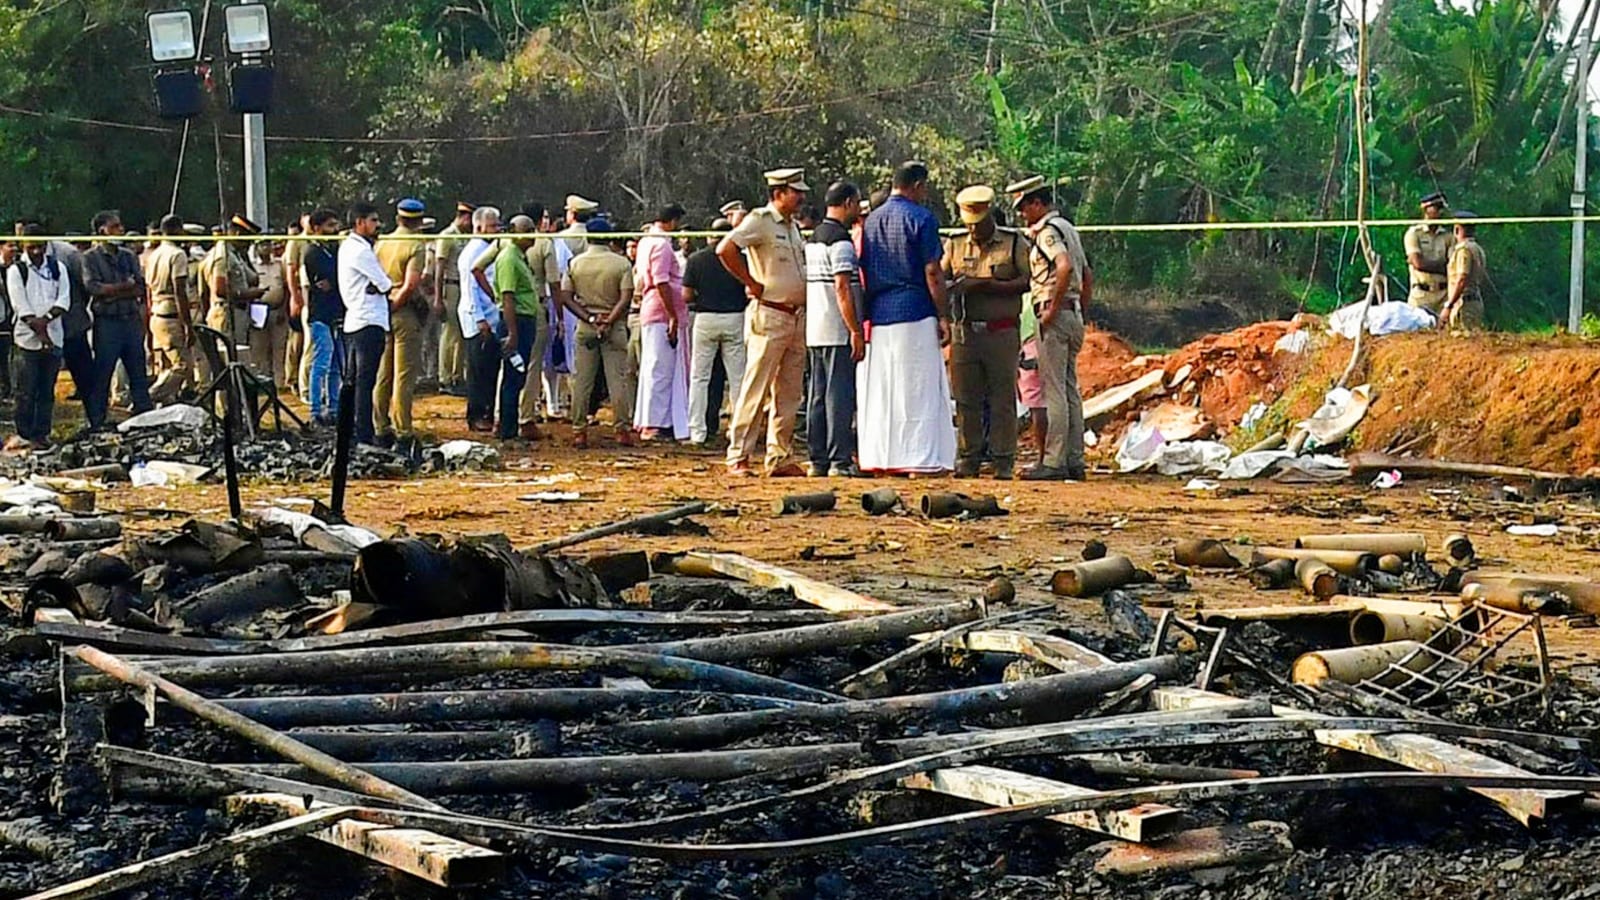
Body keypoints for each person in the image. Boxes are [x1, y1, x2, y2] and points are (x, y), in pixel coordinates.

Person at [856, 161, 956, 476]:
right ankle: (919, 457)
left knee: (886, 390)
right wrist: (943, 314)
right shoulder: (922, 219)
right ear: (916, 185)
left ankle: (883, 457)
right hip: (915, 309)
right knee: (918, 387)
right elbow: (932, 271)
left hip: (881, 313)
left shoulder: (871, 221)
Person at [717, 167, 811, 477]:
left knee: (789, 392)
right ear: (779, 193)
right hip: (769, 313)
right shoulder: (760, 221)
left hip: (795, 316)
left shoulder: (792, 227)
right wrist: (751, 282)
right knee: (756, 386)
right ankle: (739, 454)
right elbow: (726, 248)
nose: (800, 196)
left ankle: (779, 456)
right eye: (795, 191)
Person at [943, 185, 1030, 480]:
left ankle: (1003, 459)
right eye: (968, 225)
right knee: (966, 399)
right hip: (964, 333)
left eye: (978, 224)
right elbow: (941, 280)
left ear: (990, 216)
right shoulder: (954, 245)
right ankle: (969, 458)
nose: (974, 231)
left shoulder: (1013, 243)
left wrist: (986, 285)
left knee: (1002, 398)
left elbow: (1026, 282)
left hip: (1001, 332)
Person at [1008, 174, 1089, 481]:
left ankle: (1054, 461)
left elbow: (1064, 266)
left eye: (1025, 208)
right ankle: (1074, 458)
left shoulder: (1048, 233)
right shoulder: (1069, 228)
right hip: (1073, 312)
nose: (1023, 215)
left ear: (1038, 203)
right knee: (1070, 390)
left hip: (1054, 314)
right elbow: (1087, 274)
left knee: (1053, 390)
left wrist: (1052, 310)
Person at [803, 181, 865, 477]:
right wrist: (854, 329)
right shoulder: (840, 241)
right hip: (836, 328)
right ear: (849, 202)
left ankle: (818, 459)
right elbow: (842, 287)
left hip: (816, 328)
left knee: (818, 394)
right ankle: (839, 458)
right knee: (838, 395)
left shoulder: (814, 237)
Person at [557, 220, 636, 448]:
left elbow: (566, 296)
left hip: (586, 324)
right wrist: (609, 320)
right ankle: (621, 428)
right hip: (614, 326)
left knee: (582, 380)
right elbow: (626, 296)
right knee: (617, 379)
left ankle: (579, 430)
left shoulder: (576, 263)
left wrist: (590, 319)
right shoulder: (621, 264)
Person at [81, 211, 153, 429]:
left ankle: (144, 418)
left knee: (138, 373)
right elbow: (93, 288)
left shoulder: (128, 256)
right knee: (103, 374)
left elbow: (140, 287)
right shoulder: (90, 258)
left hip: (130, 320)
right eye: (116, 226)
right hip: (107, 324)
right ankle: (97, 422)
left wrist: (114, 292)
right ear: (102, 230)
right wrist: (124, 287)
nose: (121, 230)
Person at [683, 218, 747, 448]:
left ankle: (697, 431)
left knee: (699, 377)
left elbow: (686, 295)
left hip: (705, 317)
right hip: (734, 317)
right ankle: (738, 430)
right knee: (738, 378)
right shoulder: (740, 259)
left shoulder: (696, 260)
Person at [373, 198, 431, 453]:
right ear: (419, 221)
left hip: (383, 307)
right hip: (404, 310)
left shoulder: (382, 242)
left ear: (398, 218)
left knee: (383, 373)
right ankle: (403, 430)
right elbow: (411, 284)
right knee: (404, 374)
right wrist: (398, 304)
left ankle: (380, 426)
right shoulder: (416, 245)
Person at [5, 225, 69, 450]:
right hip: (27, 340)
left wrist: (48, 321)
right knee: (25, 391)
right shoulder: (17, 270)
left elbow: (64, 301)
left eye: (40, 246)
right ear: (23, 246)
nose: (37, 251)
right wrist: (42, 335)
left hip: (54, 335)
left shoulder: (57, 267)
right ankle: (24, 433)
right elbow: (21, 307)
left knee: (46, 391)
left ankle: (42, 434)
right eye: (32, 247)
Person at [337, 202, 395, 447]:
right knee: (364, 382)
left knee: (354, 381)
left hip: (357, 320)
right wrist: (381, 286)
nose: (377, 225)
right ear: (359, 222)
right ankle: (362, 434)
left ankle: (350, 431)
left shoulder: (351, 247)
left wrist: (378, 286)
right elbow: (385, 283)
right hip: (367, 321)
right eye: (373, 220)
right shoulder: (360, 251)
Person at [486, 214, 546, 442]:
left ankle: (508, 427)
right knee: (513, 376)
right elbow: (508, 297)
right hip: (516, 321)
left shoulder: (520, 256)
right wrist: (512, 333)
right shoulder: (509, 258)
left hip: (524, 320)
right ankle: (508, 430)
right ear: (515, 232)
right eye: (528, 231)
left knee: (517, 377)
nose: (533, 236)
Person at [633, 203, 690, 442]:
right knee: (661, 369)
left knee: (655, 367)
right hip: (661, 312)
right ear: (673, 221)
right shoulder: (661, 244)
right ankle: (655, 423)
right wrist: (673, 316)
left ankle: (655, 420)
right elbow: (661, 281)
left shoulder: (647, 240)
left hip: (655, 309)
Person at [198, 215, 267, 382]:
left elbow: (252, 278)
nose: (249, 244)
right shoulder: (223, 256)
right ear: (236, 233)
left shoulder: (235, 254)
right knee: (228, 363)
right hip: (227, 314)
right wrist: (248, 294)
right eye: (247, 239)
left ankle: (234, 402)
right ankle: (226, 406)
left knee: (238, 360)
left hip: (237, 313)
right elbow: (219, 289)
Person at [459, 205, 504, 433]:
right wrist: (479, 319)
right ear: (478, 226)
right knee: (478, 370)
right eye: (492, 225)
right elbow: (470, 290)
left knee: (489, 369)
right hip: (479, 319)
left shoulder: (489, 249)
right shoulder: (473, 252)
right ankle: (476, 415)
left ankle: (486, 412)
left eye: (498, 225)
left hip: (492, 317)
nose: (497, 229)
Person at [144, 215, 195, 405]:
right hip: (171, 316)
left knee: (164, 366)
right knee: (183, 366)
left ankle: (164, 406)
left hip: (156, 314)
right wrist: (188, 325)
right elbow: (179, 291)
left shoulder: (154, 254)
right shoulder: (177, 254)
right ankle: (147, 398)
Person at [302, 209, 344, 426]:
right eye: (329, 226)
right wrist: (336, 281)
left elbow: (336, 278)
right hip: (320, 314)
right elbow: (331, 277)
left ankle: (334, 408)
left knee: (337, 364)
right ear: (317, 228)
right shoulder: (313, 253)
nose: (334, 230)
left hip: (336, 312)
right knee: (322, 363)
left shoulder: (333, 250)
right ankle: (315, 410)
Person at [428, 202, 474, 396]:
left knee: (461, 335)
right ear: (463, 216)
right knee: (450, 334)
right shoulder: (447, 236)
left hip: (464, 286)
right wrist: (438, 298)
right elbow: (439, 268)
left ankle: (457, 375)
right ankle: (445, 377)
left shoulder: (466, 237)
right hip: (450, 286)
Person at [247, 239, 290, 392]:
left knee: (279, 347)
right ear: (256, 247)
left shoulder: (279, 264)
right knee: (259, 348)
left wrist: (283, 310)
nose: (266, 248)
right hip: (258, 310)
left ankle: (279, 383)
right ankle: (261, 382)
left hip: (277, 309)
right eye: (262, 245)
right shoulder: (251, 265)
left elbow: (285, 287)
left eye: (268, 244)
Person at [1404, 192, 1455, 316]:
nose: (1440, 212)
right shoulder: (1414, 234)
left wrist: (1427, 264)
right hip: (1421, 295)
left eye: (1441, 208)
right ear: (1426, 209)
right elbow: (1418, 263)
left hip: (1444, 295)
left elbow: (1452, 266)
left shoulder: (1448, 237)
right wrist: (1442, 266)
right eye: (1436, 208)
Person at [1442, 210, 1487, 332]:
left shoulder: (1464, 250)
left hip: (1464, 304)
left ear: (1457, 230)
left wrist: (1449, 305)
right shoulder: (1477, 248)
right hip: (1474, 301)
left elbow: (1462, 278)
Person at [283, 212, 310, 397]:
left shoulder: (318, 241)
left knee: (307, 341)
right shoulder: (296, 242)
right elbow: (290, 272)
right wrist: (295, 297)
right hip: (300, 292)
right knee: (296, 341)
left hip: (313, 295)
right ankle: (292, 379)